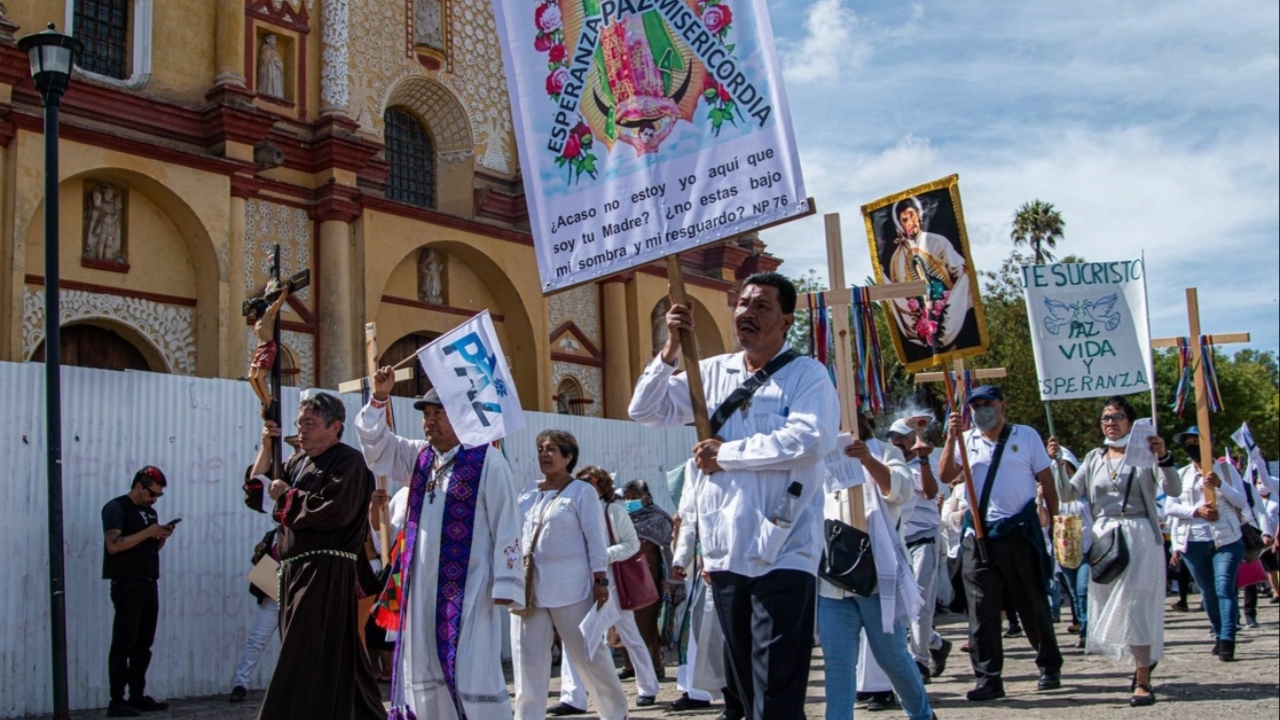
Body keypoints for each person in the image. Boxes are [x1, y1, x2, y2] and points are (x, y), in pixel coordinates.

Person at [630, 272, 840, 720]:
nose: (747, 312)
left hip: (785, 549)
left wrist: (730, 455)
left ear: (786, 320)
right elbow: (645, 410)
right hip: (727, 552)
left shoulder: (808, 375)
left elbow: (810, 438)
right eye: (742, 303)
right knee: (744, 689)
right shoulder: (711, 371)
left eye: (762, 305)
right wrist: (670, 348)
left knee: (777, 688)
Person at [357, 372, 524, 720]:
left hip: (472, 585)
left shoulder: (486, 461)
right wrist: (379, 399)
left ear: (461, 416)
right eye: (426, 414)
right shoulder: (419, 458)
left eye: (439, 413)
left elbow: (507, 523)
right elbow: (376, 446)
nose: (429, 421)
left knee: (470, 664)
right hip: (420, 586)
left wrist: (508, 583)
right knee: (423, 662)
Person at [243, 392, 385, 720]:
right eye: (299, 423)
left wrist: (287, 495)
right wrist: (267, 447)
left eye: (311, 423)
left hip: (327, 569)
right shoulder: (296, 462)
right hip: (294, 570)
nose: (302, 430)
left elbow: (335, 511)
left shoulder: (349, 462)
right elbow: (258, 493)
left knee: (304, 650)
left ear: (335, 427)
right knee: (334, 652)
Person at [1050, 396, 1179, 706]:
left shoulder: (1144, 453)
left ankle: (1143, 679)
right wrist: (1055, 463)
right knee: (1110, 605)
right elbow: (1068, 492)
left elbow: (1172, 490)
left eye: (1118, 416)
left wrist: (1164, 458)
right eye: (1106, 417)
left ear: (1131, 422)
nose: (1111, 421)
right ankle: (1142, 657)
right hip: (1105, 536)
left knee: (1135, 606)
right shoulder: (1094, 457)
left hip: (1140, 535)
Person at [938, 385, 1062, 701]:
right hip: (978, 535)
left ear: (1001, 405)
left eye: (986, 403)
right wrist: (952, 437)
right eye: (975, 405)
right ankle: (988, 678)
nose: (981, 410)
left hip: (1018, 532)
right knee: (981, 612)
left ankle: (1049, 664)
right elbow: (945, 474)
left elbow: (1046, 480)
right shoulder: (967, 441)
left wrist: (1057, 521)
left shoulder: (1026, 436)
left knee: (1031, 603)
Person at [817, 415, 936, 720]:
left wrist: (868, 461)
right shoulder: (818, 455)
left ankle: (921, 714)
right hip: (833, 579)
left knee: (892, 657)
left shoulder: (886, 451)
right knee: (838, 663)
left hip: (877, 575)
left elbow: (901, 491)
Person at [512, 431, 630, 720]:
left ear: (568, 457)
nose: (544, 454)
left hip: (572, 588)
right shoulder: (527, 492)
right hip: (529, 590)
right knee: (527, 659)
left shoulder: (581, 492)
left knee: (589, 655)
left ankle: (615, 713)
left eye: (552, 449)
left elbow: (595, 540)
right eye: (540, 448)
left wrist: (600, 580)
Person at [553, 467, 659, 714]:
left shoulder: (613, 511)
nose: (583, 487)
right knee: (574, 639)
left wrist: (600, 557)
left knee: (629, 635)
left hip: (612, 585)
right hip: (580, 585)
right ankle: (573, 697)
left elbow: (631, 544)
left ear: (601, 487)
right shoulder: (569, 509)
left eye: (590, 483)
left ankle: (647, 687)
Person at [1166, 427, 1247, 662]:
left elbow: (1242, 501)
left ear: (1210, 443)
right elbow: (1170, 507)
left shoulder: (1227, 470)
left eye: (1197, 441)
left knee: (1224, 588)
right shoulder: (1181, 475)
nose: (1193, 445)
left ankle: (1229, 639)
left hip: (1227, 539)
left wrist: (1220, 484)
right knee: (1208, 592)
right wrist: (1196, 511)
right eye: (1188, 442)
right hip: (1194, 540)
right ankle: (1219, 632)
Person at [669, 464, 742, 720]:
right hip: (709, 570)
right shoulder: (695, 467)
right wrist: (682, 557)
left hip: (748, 562)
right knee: (709, 636)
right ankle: (733, 703)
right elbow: (689, 515)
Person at [101, 466, 175, 717]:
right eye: (152, 494)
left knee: (144, 643)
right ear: (139, 486)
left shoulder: (150, 514)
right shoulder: (116, 508)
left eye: (158, 497)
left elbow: (148, 548)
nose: (154, 500)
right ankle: (117, 699)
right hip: (127, 583)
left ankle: (136, 694)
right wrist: (148, 533)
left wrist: (161, 536)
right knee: (124, 642)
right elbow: (113, 545)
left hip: (148, 582)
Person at [885, 418, 953, 682]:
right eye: (893, 437)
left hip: (924, 539)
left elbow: (931, 491)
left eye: (901, 437)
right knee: (901, 605)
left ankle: (920, 662)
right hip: (897, 541)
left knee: (920, 604)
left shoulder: (927, 463)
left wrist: (923, 460)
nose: (896, 442)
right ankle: (936, 644)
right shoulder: (890, 464)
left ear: (914, 439)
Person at [883, 196, 975, 355]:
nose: (910, 222)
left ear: (919, 215)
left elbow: (958, 270)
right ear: (900, 224)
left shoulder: (938, 242)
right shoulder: (898, 256)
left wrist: (964, 275)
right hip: (918, 314)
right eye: (904, 219)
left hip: (946, 306)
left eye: (911, 215)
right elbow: (897, 291)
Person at [620, 479, 674, 681]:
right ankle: (629, 666)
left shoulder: (659, 519)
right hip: (624, 579)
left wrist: (668, 579)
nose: (629, 501)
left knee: (649, 626)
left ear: (647, 497)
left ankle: (657, 666)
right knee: (622, 626)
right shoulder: (621, 519)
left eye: (634, 497)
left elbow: (668, 552)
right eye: (626, 498)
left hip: (649, 580)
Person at [228, 528, 279, 703]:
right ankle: (240, 684)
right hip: (271, 595)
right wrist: (258, 555)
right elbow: (261, 562)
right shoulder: (272, 535)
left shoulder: (305, 533)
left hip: (294, 596)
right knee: (257, 640)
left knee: (294, 643)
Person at [247, 281, 290, 415]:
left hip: (268, 347)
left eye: (253, 309)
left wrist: (285, 291)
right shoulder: (259, 320)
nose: (252, 312)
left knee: (260, 377)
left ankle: (269, 399)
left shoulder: (268, 314)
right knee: (251, 377)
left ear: (258, 307)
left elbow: (278, 304)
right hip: (260, 349)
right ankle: (263, 400)